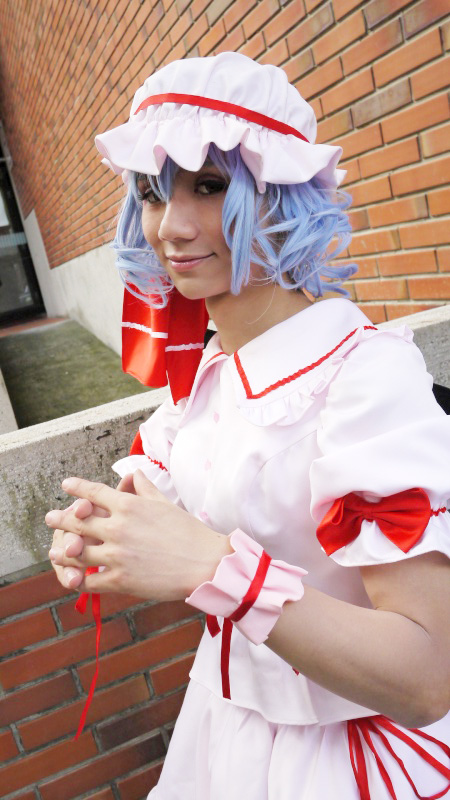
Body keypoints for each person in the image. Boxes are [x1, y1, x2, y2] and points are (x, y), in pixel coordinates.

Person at [46, 53, 450, 799]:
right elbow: (165, 501)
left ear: (284, 201)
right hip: (222, 731)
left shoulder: (363, 379)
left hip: (348, 755)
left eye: (210, 185)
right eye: (152, 192)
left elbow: (427, 677)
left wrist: (213, 567)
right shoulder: (209, 374)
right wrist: (102, 535)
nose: (172, 226)